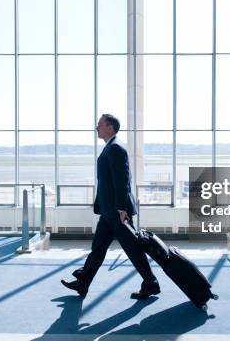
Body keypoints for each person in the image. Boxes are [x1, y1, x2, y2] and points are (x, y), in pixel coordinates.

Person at [61, 114, 160, 299]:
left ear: (110, 127)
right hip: (109, 212)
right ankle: (83, 282)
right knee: (98, 248)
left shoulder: (115, 148)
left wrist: (122, 209)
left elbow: (122, 182)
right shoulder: (110, 147)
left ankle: (151, 282)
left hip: (117, 212)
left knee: (132, 248)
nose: (96, 127)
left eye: (99, 124)